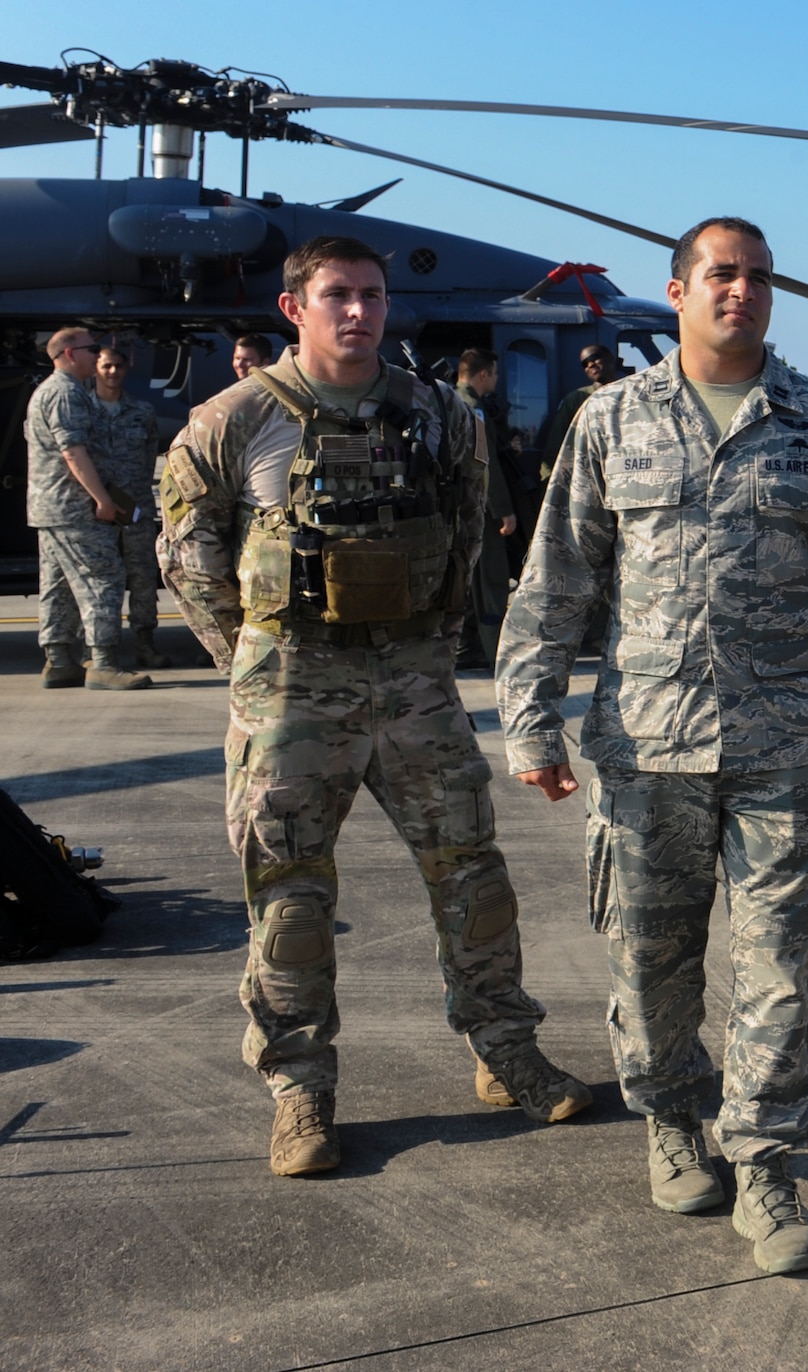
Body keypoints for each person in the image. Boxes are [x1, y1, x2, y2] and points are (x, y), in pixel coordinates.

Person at [498, 215, 808, 1276]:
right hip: (645, 747)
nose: (742, 291)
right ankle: (671, 1123)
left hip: (787, 744)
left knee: (776, 962)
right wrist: (530, 714)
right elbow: (557, 578)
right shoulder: (610, 418)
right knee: (650, 962)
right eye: (721, 276)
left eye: (758, 278)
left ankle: (768, 1159)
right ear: (678, 291)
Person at [158, 234, 592, 1179]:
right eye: (338, 297)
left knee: (474, 879)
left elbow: (470, 531)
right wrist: (256, 668)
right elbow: (191, 565)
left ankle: (504, 1048)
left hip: (414, 690)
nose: (358, 313)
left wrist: (428, 655)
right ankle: (301, 1086)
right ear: (294, 309)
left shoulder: (439, 415)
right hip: (288, 698)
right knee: (290, 900)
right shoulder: (233, 420)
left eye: (372, 296)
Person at [26, 328, 151, 691]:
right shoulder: (66, 393)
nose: (97, 355)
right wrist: (103, 500)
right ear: (69, 353)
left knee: (59, 586)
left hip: (52, 508)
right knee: (104, 577)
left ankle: (61, 660)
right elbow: (73, 452)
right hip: (75, 507)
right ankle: (103, 663)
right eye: (92, 348)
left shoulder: (50, 391)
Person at [92, 342, 172, 669]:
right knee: (100, 582)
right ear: (96, 368)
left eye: (118, 366)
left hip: (137, 509)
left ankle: (145, 643)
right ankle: (99, 649)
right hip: (98, 511)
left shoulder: (141, 411)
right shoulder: (85, 411)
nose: (113, 372)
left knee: (142, 578)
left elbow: (150, 450)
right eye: (106, 366)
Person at [454, 348, 519, 669]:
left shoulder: (450, 401)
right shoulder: (474, 409)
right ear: (484, 374)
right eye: (494, 373)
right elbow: (484, 465)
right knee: (491, 578)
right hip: (477, 509)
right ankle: (493, 651)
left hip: (456, 510)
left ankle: (466, 648)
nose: (496, 379)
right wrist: (503, 510)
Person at [541, 343, 623, 483]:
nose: (590, 365)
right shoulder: (576, 400)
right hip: (590, 478)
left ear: (610, 358)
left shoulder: (631, 393)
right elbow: (556, 444)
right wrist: (549, 478)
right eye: (585, 364)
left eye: (595, 358)